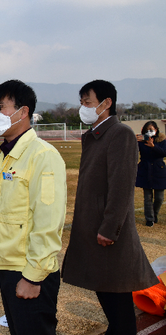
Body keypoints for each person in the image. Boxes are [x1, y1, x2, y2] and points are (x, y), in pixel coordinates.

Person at [62, 80, 157, 335]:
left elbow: (122, 186)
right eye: (81, 102)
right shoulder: (94, 135)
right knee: (107, 291)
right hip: (93, 227)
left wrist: (110, 228)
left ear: (106, 103)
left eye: (88, 102)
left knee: (116, 296)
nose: (83, 107)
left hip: (107, 233)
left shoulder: (120, 133)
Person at [0, 80, 67, 335]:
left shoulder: (43, 155)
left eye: (1, 107)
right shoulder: (5, 155)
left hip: (30, 271)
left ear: (24, 111)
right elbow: (4, 212)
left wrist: (32, 277)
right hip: (10, 267)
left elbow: (48, 222)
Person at [135, 120, 166, 227]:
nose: (149, 132)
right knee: (147, 197)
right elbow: (132, 151)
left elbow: (164, 153)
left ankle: (155, 214)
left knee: (159, 197)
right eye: (147, 130)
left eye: (151, 129)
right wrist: (133, 140)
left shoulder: (162, 140)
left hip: (158, 169)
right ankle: (149, 218)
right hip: (145, 168)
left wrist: (153, 146)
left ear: (156, 130)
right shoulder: (141, 141)